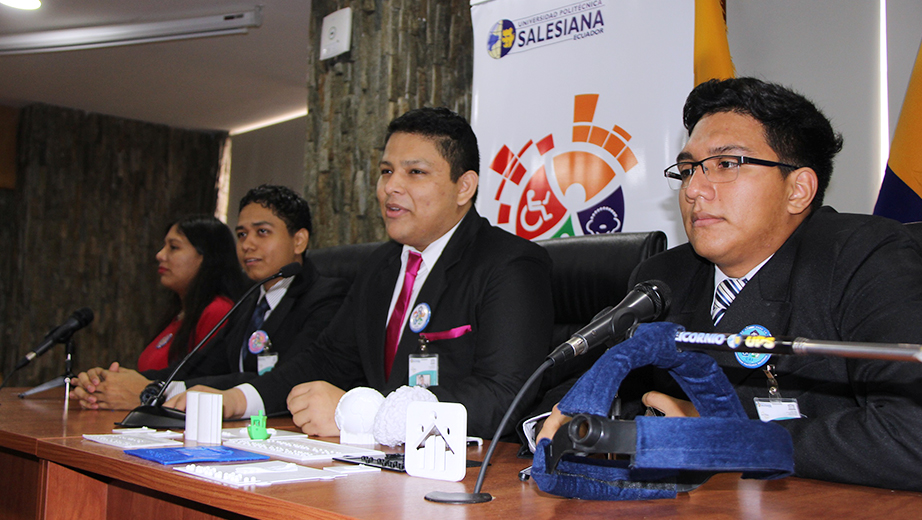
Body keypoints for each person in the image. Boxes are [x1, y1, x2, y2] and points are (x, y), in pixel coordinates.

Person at [539, 77, 922, 491]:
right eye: (688, 170)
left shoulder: (863, 257)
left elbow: (910, 435)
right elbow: (571, 397)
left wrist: (725, 437)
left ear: (798, 190)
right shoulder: (664, 278)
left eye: (726, 164)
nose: (695, 190)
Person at [167, 107, 554, 439]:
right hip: (377, 465)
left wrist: (369, 414)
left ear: (464, 186)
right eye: (386, 171)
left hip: (461, 474)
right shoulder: (380, 267)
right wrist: (241, 398)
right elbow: (326, 359)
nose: (390, 188)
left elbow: (504, 395)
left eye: (414, 172)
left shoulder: (509, 264)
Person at [72, 185, 350, 409]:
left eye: (262, 232)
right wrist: (119, 382)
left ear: (299, 240)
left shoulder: (327, 298)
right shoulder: (247, 302)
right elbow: (200, 365)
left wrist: (157, 391)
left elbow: (283, 377)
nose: (247, 244)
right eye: (241, 234)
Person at [70, 215, 247, 406]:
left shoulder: (218, 310)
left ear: (206, 257)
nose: (160, 255)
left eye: (174, 247)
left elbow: (200, 378)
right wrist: (102, 383)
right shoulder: (180, 313)